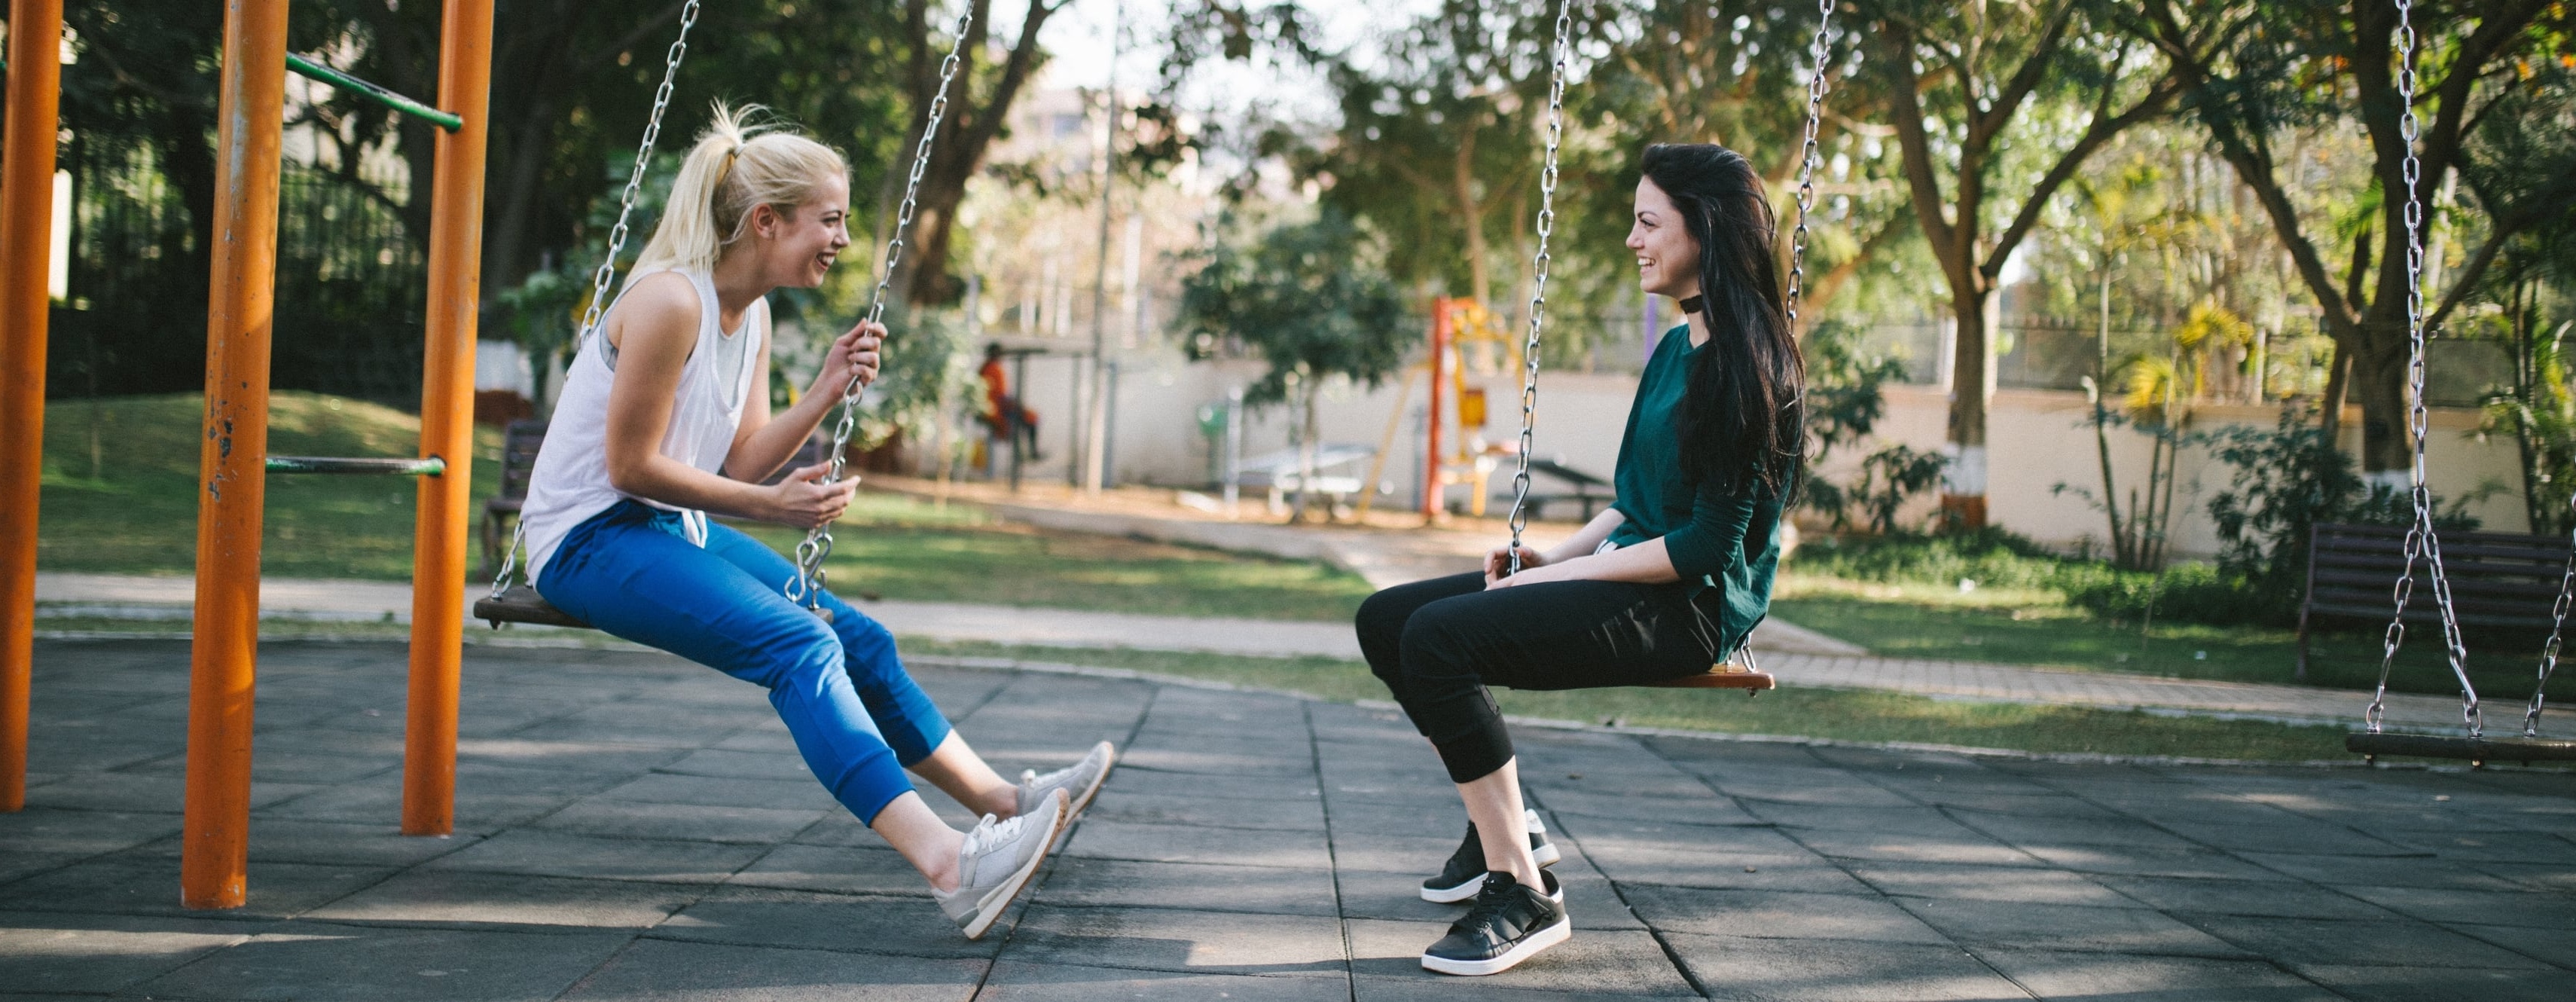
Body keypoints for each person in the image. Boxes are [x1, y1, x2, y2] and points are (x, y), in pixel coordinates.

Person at [517, 105, 1115, 940]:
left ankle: (1006, 801)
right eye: (828, 219)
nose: (840, 237)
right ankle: (950, 864)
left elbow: (744, 460)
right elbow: (630, 468)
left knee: (857, 636)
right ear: (767, 221)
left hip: (660, 530)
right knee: (800, 644)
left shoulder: (751, 314)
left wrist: (827, 386)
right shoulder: (667, 301)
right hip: (588, 538)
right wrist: (770, 509)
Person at [1353, 143, 1802, 976]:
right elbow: (1635, 500)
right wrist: (1552, 553)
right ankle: (1506, 822)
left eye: (1647, 221)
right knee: (1388, 620)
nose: (1633, 239)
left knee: (1441, 640)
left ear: (1702, 229)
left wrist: (1563, 576)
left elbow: (1704, 546)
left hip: (1692, 604)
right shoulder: (1676, 349)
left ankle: (1521, 888)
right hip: (1637, 566)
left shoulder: (1747, 364)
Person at [977, 342, 1042, 462]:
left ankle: (1025, 455)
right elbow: (999, 395)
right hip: (996, 409)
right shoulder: (992, 369)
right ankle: (1027, 455)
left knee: (1029, 418)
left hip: (997, 407)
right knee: (1023, 420)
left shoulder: (988, 368)